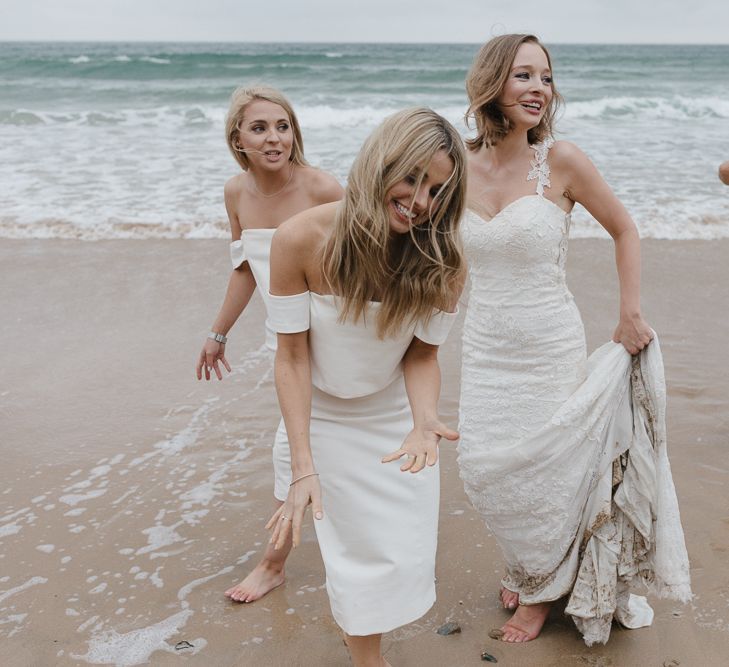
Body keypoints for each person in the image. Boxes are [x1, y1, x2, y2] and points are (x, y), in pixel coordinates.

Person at [456, 34, 691, 646]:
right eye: (523, 76)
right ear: (491, 84)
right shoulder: (453, 163)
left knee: (549, 468)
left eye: (547, 78)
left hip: (547, 345)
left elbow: (625, 228)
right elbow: (430, 250)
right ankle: (525, 563)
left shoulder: (561, 161)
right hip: (483, 347)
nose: (539, 89)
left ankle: (537, 593)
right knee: (485, 468)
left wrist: (629, 313)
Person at [264, 107, 465, 667]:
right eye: (411, 178)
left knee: (396, 554)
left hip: (391, 417)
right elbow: (293, 355)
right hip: (320, 408)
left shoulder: (443, 259)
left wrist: (426, 418)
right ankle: (365, 658)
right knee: (330, 532)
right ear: (379, 164)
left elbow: (423, 354)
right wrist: (305, 459)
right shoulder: (298, 239)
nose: (420, 200)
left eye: (437, 189)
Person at [195, 85, 343, 603]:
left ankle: (276, 563)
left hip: (339, 336)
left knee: (303, 446)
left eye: (282, 126)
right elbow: (245, 269)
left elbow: (371, 256)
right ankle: (277, 564)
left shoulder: (323, 188)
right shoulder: (236, 193)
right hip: (290, 341)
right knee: (294, 449)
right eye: (259, 128)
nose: (274, 137)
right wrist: (218, 333)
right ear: (238, 137)